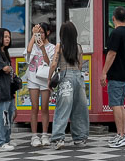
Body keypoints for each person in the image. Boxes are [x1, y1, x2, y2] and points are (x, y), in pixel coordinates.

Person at [48, 22, 90, 150]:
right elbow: (80, 65)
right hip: (78, 77)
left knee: (63, 107)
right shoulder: (78, 47)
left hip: (65, 76)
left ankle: (58, 138)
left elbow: (54, 64)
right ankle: (80, 138)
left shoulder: (60, 46)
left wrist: (49, 79)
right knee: (80, 108)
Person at [101, 7, 125, 148]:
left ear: (113, 18)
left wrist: (104, 72)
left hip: (116, 74)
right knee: (120, 104)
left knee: (116, 104)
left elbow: (111, 53)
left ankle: (121, 135)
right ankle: (122, 134)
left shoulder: (116, 33)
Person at [24, 22, 53, 147]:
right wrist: (33, 35)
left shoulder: (51, 47)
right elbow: (28, 52)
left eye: (41, 32)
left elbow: (49, 63)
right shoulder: (33, 44)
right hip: (33, 79)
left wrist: (42, 49)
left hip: (45, 79)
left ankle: (45, 134)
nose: (39, 35)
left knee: (45, 108)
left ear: (47, 33)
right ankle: (34, 136)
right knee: (34, 108)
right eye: (38, 32)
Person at [0, 27, 18, 152]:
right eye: (5, 37)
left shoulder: (5, 52)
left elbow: (9, 70)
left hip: (9, 89)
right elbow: (5, 69)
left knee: (9, 114)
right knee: (2, 115)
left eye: (9, 36)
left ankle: (6, 140)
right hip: (1, 88)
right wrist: (10, 69)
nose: (8, 39)